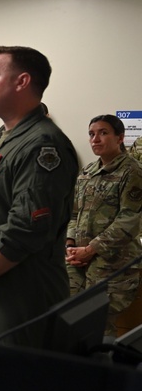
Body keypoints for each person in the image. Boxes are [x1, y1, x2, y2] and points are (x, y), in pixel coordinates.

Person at [0, 46, 78, 347]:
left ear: (21, 82)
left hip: (24, 286)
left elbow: (27, 226)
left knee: (18, 371)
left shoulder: (43, 143)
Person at [65, 114, 142, 337]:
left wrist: (90, 250)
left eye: (103, 133)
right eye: (91, 134)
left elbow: (129, 220)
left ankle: (102, 368)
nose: (95, 139)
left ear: (120, 138)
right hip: (78, 260)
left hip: (113, 263)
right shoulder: (87, 172)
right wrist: (70, 243)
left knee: (98, 322)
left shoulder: (133, 172)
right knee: (68, 313)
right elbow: (74, 213)